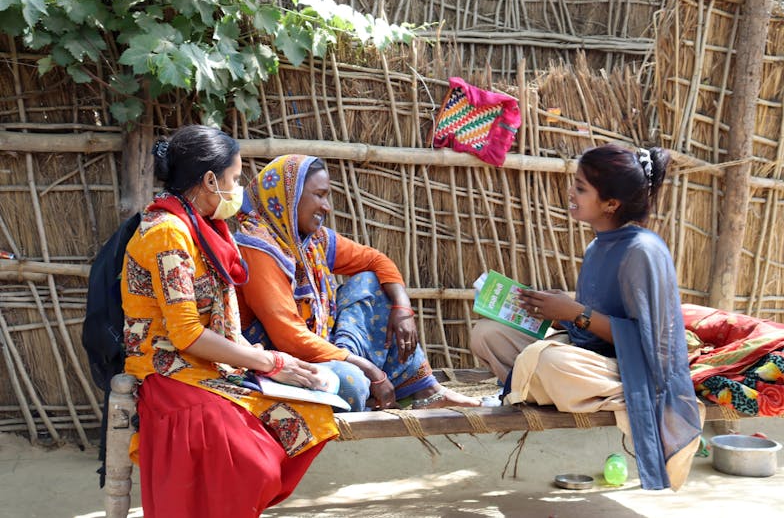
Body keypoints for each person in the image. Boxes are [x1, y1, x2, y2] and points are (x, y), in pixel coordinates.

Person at [121, 126, 338, 518]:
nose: (237, 189)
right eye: (235, 179)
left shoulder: (201, 227)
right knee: (249, 458)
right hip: (167, 373)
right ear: (209, 180)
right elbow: (186, 335)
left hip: (205, 366)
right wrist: (272, 362)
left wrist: (262, 359)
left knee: (310, 417)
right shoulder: (167, 233)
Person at [470, 144, 703, 490]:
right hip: (589, 356)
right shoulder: (598, 246)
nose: (571, 192)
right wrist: (550, 312)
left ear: (611, 204)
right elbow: (591, 327)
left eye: (581, 188)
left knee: (548, 361)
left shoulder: (643, 251)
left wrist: (576, 313)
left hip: (632, 371)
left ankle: (581, 390)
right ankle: (540, 384)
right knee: (487, 333)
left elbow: (651, 344)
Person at [234, 154, 480, 412]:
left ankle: (428, 392)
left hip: (323, 351)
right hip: (283, 366)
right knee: (352, 384)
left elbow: (376, 260)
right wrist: (370, 369)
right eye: (319, 195)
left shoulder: (313, 241)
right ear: (289, 197)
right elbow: (289, 337)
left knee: (370, 283)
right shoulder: (258, 249)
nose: (326, 206)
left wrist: (403, 308)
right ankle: (369, 393)